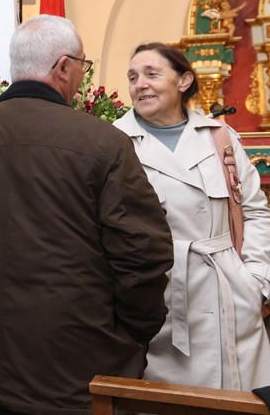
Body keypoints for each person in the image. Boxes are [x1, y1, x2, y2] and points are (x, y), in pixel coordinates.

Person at [0, 15, 173, 415]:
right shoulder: (104, 142)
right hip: (77, 364)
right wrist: (133, 331)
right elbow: (142, 250)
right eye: (83, 67)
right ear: (64, 67)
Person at [114, 42, 270, 390]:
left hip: (231, 295)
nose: (140, 84)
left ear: (184, 80)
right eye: (133, 77)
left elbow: (256, 210)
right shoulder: (114, 141)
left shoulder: (220, 138)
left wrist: (256, 279)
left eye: (152, 74)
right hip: (161, 300)